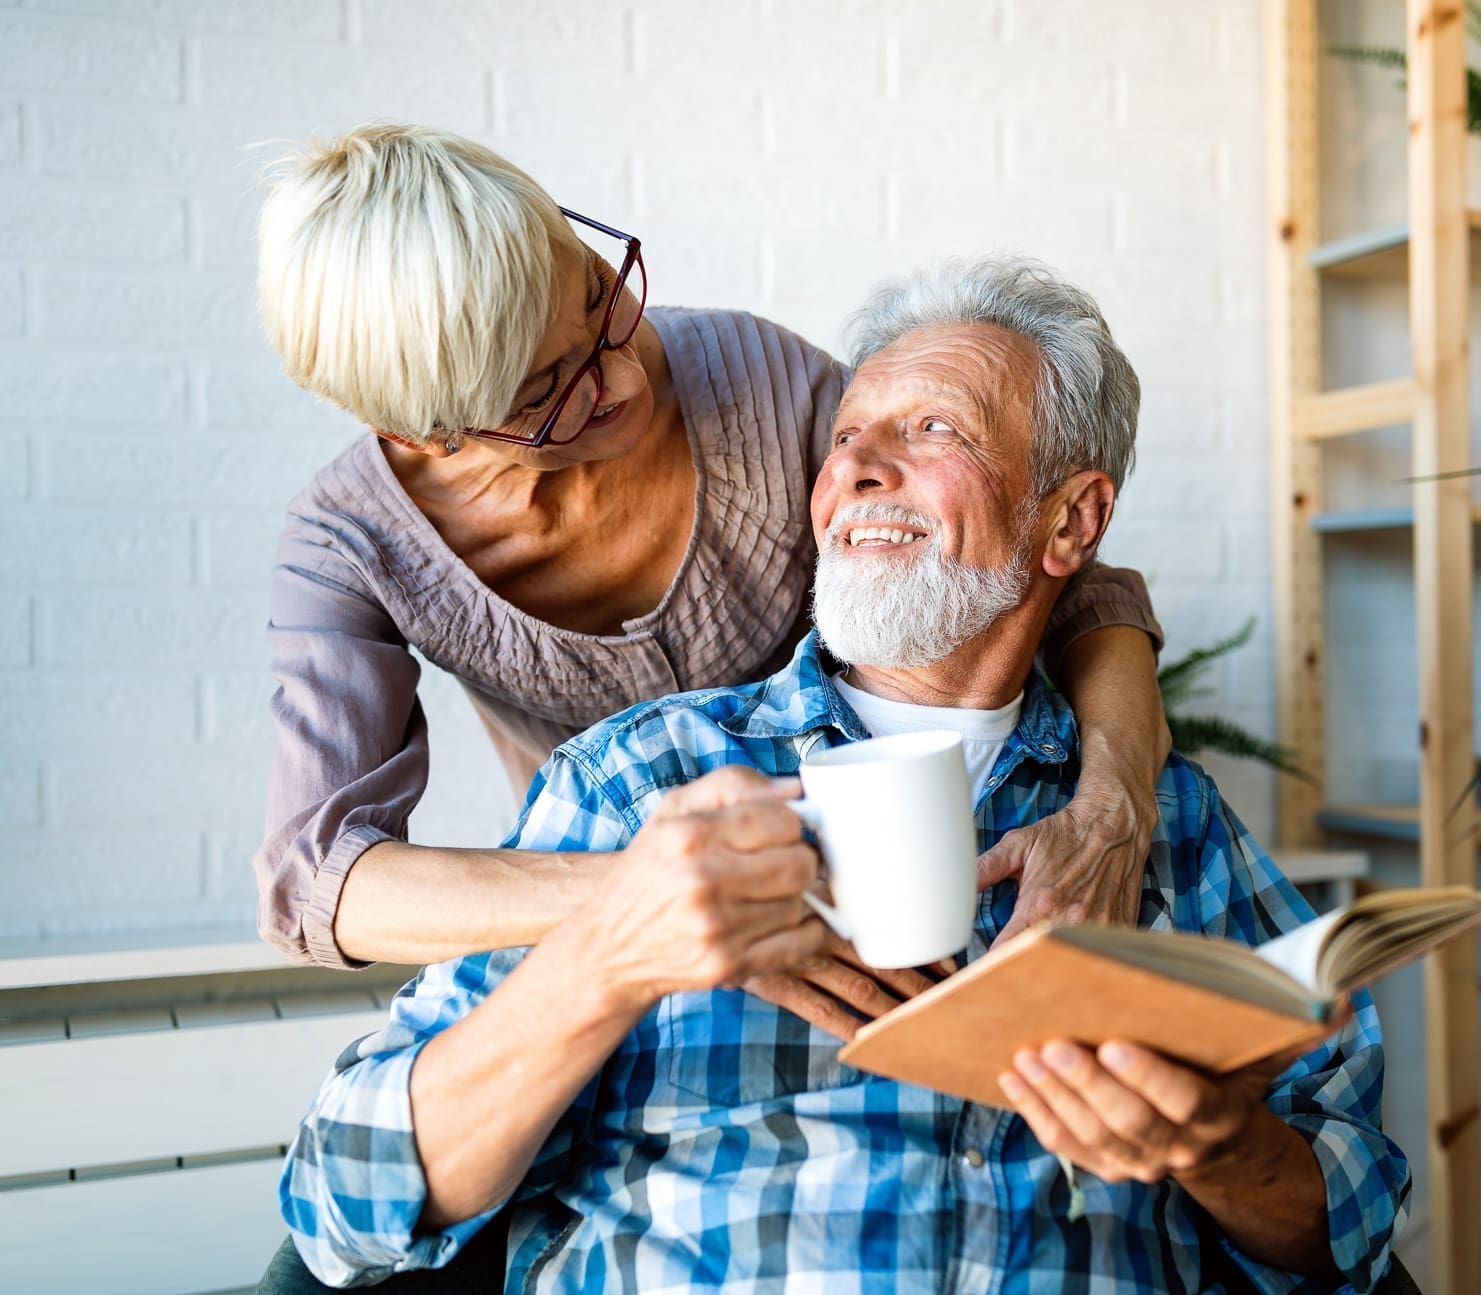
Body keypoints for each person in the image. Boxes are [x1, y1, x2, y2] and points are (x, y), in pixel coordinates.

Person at [278, 256, 1411, 1292]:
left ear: (1071, 519)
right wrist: (607, 955)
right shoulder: (639, 784)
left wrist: (1222, 1148)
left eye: (930, 428)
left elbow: (1349, 1222)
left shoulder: (1158, 825)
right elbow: (337, 1197)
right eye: (846, 435)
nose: (857, 465)